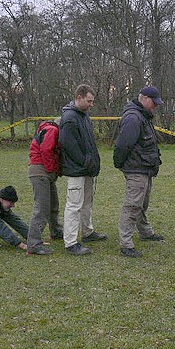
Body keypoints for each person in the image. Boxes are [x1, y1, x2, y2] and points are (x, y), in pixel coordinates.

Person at [113, 86, 165, 258]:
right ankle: (126, 243)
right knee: (133, 205)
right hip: (136, 168)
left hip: (144, 168)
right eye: (154, 103)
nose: (155, 106)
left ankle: (145, 231)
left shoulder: (143, 116)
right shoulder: (134, 118)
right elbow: (122, 145)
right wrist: (121, 164)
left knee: (142, 203)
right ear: (144, 99)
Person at [59, 84, 107, 256]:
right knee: (74, 205)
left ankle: (88, 232)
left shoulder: (84, 116)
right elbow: (68, 145)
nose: (91, 104)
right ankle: (71, 242)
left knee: (87, 203)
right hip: (76, 171)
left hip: (87, 169)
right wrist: (85, 162)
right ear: (79, 98)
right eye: (89, 101)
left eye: (92, 101)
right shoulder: (70, 118)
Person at [26, 119, 64, 255]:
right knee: (42, 208)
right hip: (41, 172)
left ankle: (56, 231)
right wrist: (51, 169)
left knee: (53, 205)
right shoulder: (53, 130)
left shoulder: (47, 129)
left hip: (44, 172)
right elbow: (46, 149)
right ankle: (34, 243)